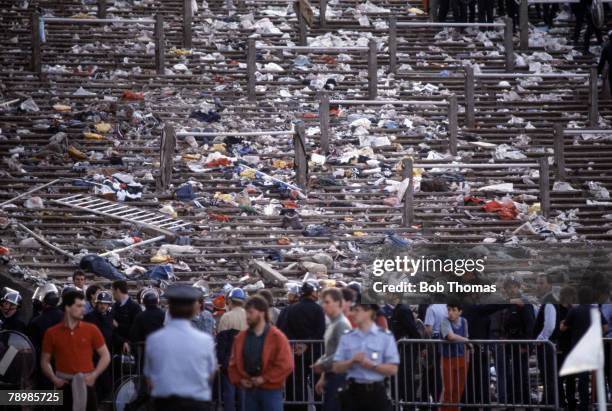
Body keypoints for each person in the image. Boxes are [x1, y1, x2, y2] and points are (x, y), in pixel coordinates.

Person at [144, 284, 217, 411]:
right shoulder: (205, 341)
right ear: (193, 310)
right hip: (197, 401)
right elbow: (210, 373)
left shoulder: (154, 340)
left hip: (166, 401)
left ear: (169, 309)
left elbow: (150, 376)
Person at [41, 290, 110, 411]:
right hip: (63, 384)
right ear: (67, 307)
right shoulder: (52, 333)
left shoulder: (92, 329)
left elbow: (105, 356)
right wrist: (54, 378)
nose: (83, 309)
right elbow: (44, 361)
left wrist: (94, 375)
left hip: (86, 383)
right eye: (79, 306)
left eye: (83, 306)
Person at [228, 296, 294, 411]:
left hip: (271, 391)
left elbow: (286, 364)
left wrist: (264, 378)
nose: (247, 316)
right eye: (246, 313)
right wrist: (240, 379)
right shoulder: (241, 338)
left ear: (262, 313)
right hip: (249, 391)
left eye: (250, 313)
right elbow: (233, 363)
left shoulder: (277, 337)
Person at [332, 303, 399, 411]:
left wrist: (373, 365)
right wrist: (351, 362)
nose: (353, 314)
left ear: (369, 312)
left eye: (357, 310)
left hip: (376, 393)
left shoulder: (385, 337)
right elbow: (336, 367)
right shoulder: (347, 337)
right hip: (353, 392)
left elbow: (393, 369)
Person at [560, 286, 608, 411]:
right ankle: (595, 402)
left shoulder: (575, 311)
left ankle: (582, 404)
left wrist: (562, 323)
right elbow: (605, 328)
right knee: (595, 377)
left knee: (579, 378)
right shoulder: (595, 310)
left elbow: (563, 328)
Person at [280, 281, 326, 411]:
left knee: (296, 386)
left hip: (296, 354)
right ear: (312, 292)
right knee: (317, 385)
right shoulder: (318, 309)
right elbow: (320, 330)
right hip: (315, 354)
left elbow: (285, 330)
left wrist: (296, 344)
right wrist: (307, 344)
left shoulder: (290, 309)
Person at [312, 288, 352, 411]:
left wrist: (323, 364)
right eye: (322, 302)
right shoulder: (333, 323)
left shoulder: (341, 324)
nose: (323, 305)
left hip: (340, 376)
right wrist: (324, 376)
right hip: (333, 375)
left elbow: (343, 353)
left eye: (327, 302)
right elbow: (330, 351)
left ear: (338, 303)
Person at [499, 276, 535, 406]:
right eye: (508, 286)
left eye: (513, 286)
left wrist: (526, 345)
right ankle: (512, 403)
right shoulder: (507, 304)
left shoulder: (524, 303)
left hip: (521, 345)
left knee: (522, 376)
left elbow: (530, 326)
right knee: (511, 376)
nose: (510, 289)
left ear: (518, 287)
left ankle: (527, 404)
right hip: (510, 345)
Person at [217, 287, 248, 411]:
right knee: (243, 393)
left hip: (229, 361)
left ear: (230, 301)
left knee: (229, 393)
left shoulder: (226, 317)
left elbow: (221, 342)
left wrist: (220, 360)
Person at [27, 291, 62, 391]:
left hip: (43, 361)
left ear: (45, 303)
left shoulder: (37, 321)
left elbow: (32, 345)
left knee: (43, 389)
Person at [533, 274, 560, 406]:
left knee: (548, 375)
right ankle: (548, 401)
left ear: (549, 285)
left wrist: (540, 339)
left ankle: (549, 402)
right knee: (546, 375)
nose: (538, 286)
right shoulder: (547, 300)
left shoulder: (549, 301)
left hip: (547, 346)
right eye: (537, 283)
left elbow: (550, 325)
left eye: (541, 283)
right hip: (547, 345)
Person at [83, 290, 114, 402]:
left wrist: (123, 341)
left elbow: (112, 334)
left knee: (106, 385)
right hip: (92, 356)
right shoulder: (89, 317)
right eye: (101, 303)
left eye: (105, 304)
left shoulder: (110, 317)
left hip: (105, 355)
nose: (103, 306)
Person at [440, 303, 470, 411]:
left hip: (462, 358)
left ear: (460, 311)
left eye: (453, 310)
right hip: (448, 358)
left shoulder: (464, 321)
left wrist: (467, 358)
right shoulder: (445, 321)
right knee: (448, 389)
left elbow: (466, 337)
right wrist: (465, 340)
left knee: (459, 389)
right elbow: (450, 336)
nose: (450, 313)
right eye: (449, 310)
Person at [390, 303, 421, 405]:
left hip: (404, 351)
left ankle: (403, 404)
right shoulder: (402, 309)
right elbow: (412, 329)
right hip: (403, 351)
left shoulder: (402, 309)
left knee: (404, 381)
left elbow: (411, 329)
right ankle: (404, 405)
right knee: (404, 380)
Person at [557, 286, 577, 409]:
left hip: (572, 346)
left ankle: (570, 400)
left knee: (571, 377)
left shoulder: (573, 309)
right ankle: (561, 400)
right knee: (560, 376)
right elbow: (561, 326)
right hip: (562, 345)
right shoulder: (559, 309)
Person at [422, 303, 447, 405]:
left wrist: (425, 345)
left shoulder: (431, 309)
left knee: (433, 372)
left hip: (434, 344)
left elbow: (429, 330)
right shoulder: (447, 307)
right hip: (446, 341)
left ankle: (434, 401)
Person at [111, 280, 141, 355]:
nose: (112, 294)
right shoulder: (114, 306)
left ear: (117, 290)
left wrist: (118, 325)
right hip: (115, 346)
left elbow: (135, 329)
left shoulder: (135, 307)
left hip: (130, 348)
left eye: (113, 290)